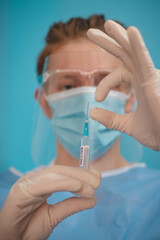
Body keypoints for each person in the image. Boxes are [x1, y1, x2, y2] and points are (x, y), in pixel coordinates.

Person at [0, 14, 160, 240]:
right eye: (67, 85)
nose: (89, 97)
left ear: (131, 99)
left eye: (107, 81)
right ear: (43, 101)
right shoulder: (10, 198)